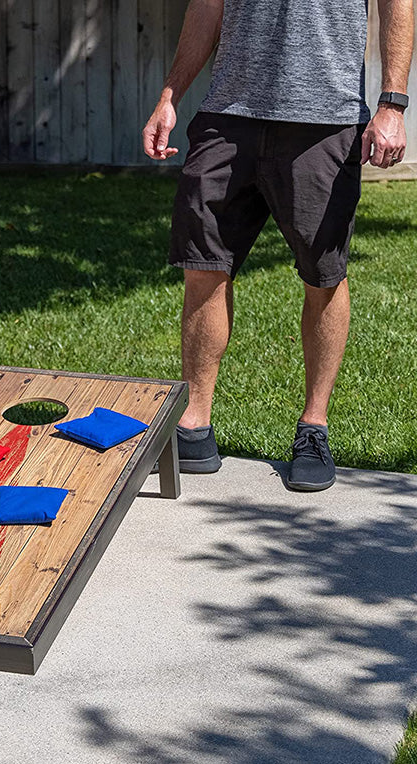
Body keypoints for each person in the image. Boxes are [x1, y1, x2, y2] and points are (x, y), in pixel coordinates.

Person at [143, 0, 414, 491]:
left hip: (324, 120)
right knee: (203, 266)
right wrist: (170, 94)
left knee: (323, 276)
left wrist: (392, 104)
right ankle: (194, 424)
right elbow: (207, 6)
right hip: (228, 114)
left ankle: (314, 427)